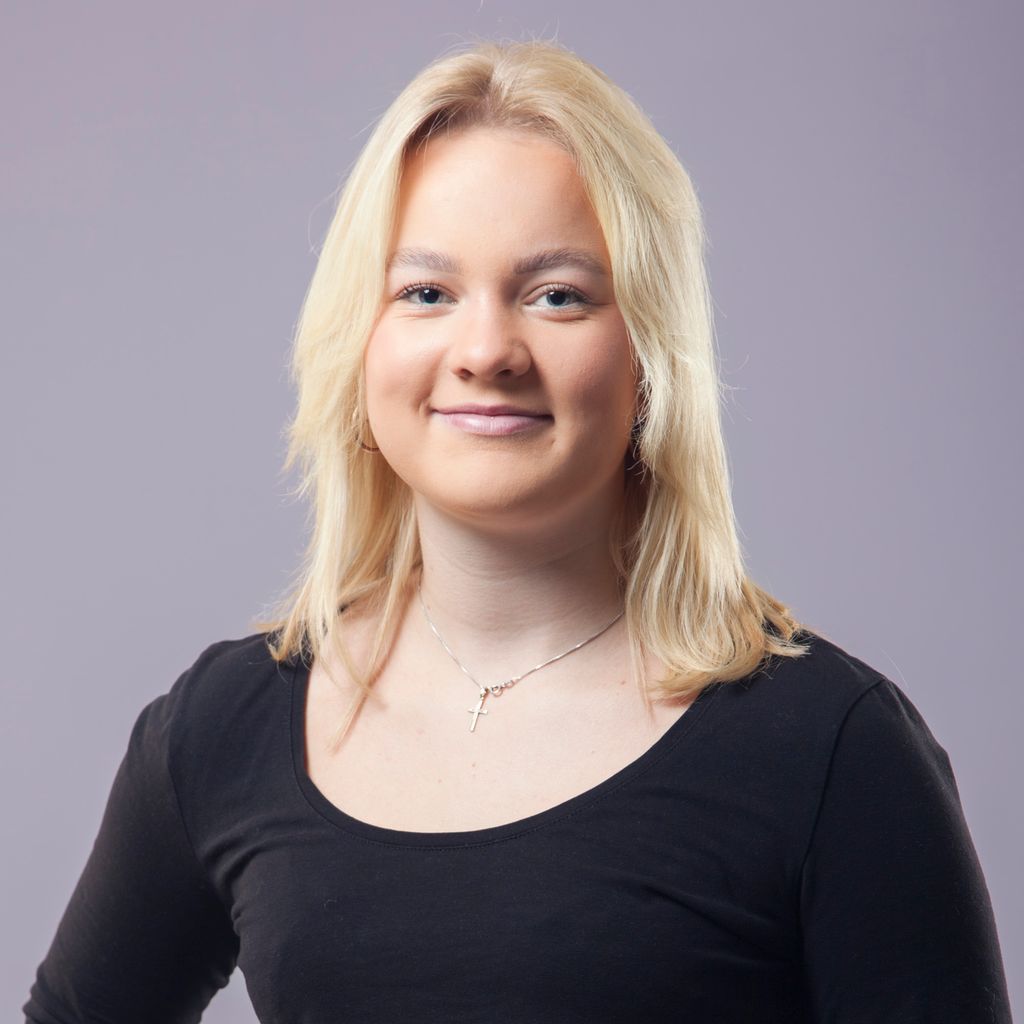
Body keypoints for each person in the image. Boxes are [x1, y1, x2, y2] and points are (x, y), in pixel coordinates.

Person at [24, 39, 1011, 1024]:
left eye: (557, 295)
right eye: (426, 293)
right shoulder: (219, 730)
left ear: (648, 355)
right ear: (357, 343)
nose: (486, 350)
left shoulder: (831, 749)